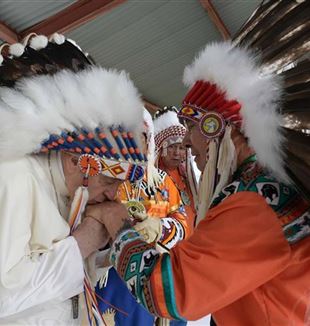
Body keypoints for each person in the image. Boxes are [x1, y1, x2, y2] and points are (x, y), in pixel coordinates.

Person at [86, 41, 310, 325]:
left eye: (191, 127)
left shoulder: (257, 200)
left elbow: (172, 292)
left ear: (217, 127)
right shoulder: (261, 189)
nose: (188, 144)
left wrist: (119, 222)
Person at [0, 34, 146, 325]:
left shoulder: (68, 190)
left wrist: (106, 245)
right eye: (107, 182)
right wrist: (82, 241)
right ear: (74, 160)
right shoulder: (16, 176)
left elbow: (67, 274)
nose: (113, 197)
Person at [95, 108, 188, 326]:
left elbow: (183, 223)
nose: (134, 144)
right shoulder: (101, 175)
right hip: (113, 272)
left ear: (150, 142)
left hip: (156, 269)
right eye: (128, 136)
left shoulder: (163, 181)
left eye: (142, 137)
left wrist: (160, 228)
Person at [153, 107, 197, 234]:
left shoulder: (188, 177)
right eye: (172, 147)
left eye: (182, 148)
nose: (177, 153)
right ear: (162, 149)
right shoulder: (153, 178)